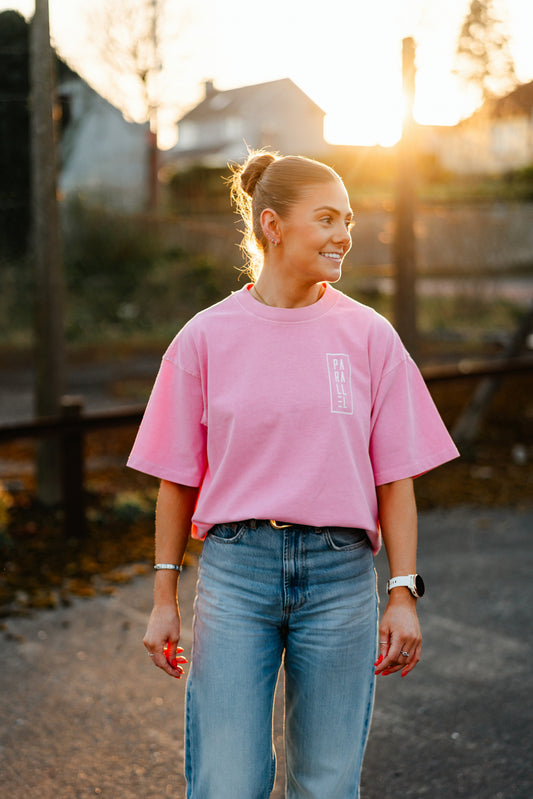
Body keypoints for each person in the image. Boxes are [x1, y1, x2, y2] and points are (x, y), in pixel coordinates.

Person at [128, 151, 459, 799]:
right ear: (273, 225)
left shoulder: (369, 335)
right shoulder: (203, 337)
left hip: (339, 579)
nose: (344, 235)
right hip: (234, 572)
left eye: (349, 220)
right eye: (327, 218)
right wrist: (164, 599)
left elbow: (395, 479)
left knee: (326, 785)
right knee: (226, 781)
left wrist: (402, 592)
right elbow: (175, 478)